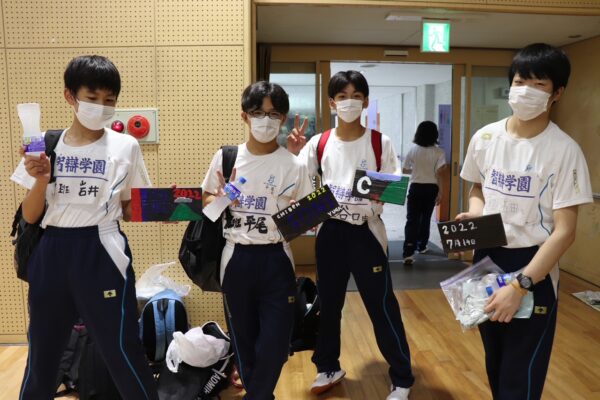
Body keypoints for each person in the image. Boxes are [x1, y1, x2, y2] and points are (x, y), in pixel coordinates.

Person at [11, 55, 158, 399]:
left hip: (102, 249)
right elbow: (30, 216)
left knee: (121, 350)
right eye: (92, 98)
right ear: (70, 96)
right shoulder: (45, 143)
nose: (101, 106)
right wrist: (41, 179)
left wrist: (169, 206)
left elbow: (130, 209)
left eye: (109, 100)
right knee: (43, 353)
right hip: (51, 251)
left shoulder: (126, 146)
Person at [458, 43, 592, 400]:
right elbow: (477, 186)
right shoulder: (485, 137)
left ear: (557, 93)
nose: (526, 91)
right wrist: (476, 212)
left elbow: (565, 232)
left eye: (539, 84)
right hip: (487, 256)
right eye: (520, 82)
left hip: (533, 266)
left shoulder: (564, 150)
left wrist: (519, 286)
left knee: (521, 374)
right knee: (495, 361)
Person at [288, 70, 414, 400]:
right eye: (342, 97)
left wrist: (366, 197)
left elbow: (393, 189)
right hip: (331, 233)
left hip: (366, 233)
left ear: (366, 101)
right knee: (328, 304)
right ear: (332, 103)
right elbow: (297, 183)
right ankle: (327, 366)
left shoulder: (379, 142)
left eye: (356, 96)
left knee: (381, 306)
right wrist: (292, 153)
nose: (349, 102)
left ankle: (402, 377)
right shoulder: (319, 143)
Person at [201, 81, 312, 400]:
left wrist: (294, 213)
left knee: (277, 343)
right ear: (244, 116)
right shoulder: (226, 157)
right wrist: (223, 198)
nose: (266, 120)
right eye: (258, 113)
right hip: (236, 258)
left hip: (277, 258)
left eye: (273, 114)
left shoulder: (294, 164)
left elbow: (307, 217)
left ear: (283, 118)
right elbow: (207, 205)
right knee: (244, 341)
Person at [401, 121, 446, 265]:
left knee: (412, 219)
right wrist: (441, 192)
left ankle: (408, 252)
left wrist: (416, 171)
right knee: (425, 218)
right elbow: (439, 174)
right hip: (431, 188)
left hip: (415, 187)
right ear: (435, 134)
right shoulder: (439, 152)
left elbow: (404, 169)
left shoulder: (413, 150)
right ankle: (422, 246)